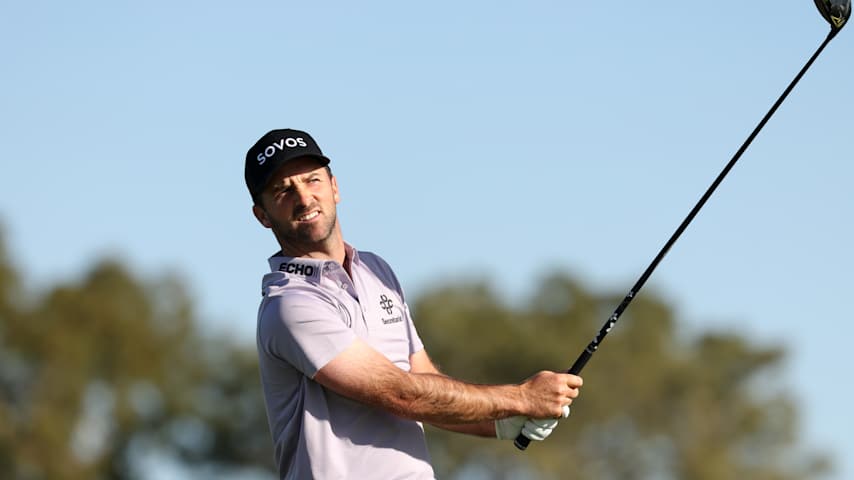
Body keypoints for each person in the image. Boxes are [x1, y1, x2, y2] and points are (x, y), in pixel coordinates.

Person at [245, 128, 583, 479]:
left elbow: (423, 381)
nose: (304, 198)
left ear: (334, 187)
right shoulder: (290, 305)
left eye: (312, 180)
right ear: (263, 215)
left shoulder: (375, 270)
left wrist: (502, 422)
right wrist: (520, 398)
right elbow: (400, 393)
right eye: (283, 190)